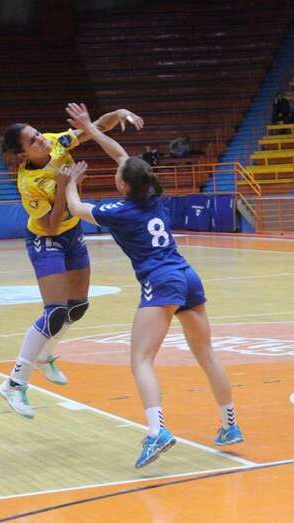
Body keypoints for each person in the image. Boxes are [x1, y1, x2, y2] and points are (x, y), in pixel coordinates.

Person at [62, 103, 243, 467]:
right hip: (187, 275)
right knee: (207, 356)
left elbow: (76, 208)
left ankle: (156, 431)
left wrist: (70, 183)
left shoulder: (120, 211)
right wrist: (93, 129)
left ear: (123, 183)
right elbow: (123, 156)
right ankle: (230, 424)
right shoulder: (151, 197)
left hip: (161, 281)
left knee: (141, 359)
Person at [0, 106, 144, 418]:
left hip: (71, 231)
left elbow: (91, 128)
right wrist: (65, 188)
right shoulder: (29, 183)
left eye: (38, 134)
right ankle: (14, 382)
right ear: (23, 154)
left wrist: (118, 114)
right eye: (33, 141)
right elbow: (49, 225)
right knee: (55, 312)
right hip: (46, 237)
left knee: (78, 306)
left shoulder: (56, 142)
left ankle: (46, 355)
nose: (42, 140)